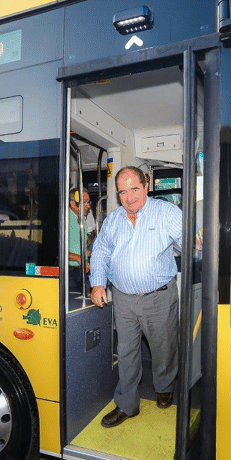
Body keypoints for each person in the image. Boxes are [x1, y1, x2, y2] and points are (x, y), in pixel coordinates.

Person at [89, 166, 182, 428]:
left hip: (159, 297)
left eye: (134, 189)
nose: (128, 197)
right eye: (122, 192)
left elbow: (191, 241)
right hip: (124, 299)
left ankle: (164, 385)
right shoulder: (113, 221)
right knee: (126, 351)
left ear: (146, 185)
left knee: (164, 348)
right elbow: (101, 252)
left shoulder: (167, 213)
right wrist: (97, 284)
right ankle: (127, 404)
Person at [68, 187, 91, 293]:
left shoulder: (81, 220)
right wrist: (78, 258)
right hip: (69, 274)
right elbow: (57, 250)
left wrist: (88, 253)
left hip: (80, 273)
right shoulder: (65, 220)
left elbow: (75, 246)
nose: (88, 206)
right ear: (73, 204)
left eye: (88, 202)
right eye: (84, 202)